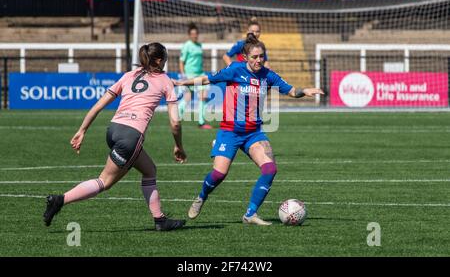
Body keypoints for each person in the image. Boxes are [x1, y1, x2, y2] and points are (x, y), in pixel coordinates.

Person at [174, 33, 324, 225]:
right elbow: (207, 79)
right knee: (219, 174)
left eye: (261, 56)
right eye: (254, 57)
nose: (258, 60)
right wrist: (181, 82)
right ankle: (202, 196)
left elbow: (292, 91)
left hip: (254, 133)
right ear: (245, 57)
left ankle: (250, 214)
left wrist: (305, 91)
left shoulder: (268, 75)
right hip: (230, 131)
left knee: (270, 169)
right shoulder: (235, 70)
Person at [43, 43, 187, 231]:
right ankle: (59, 200)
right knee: (105, 181)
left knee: (150, 170)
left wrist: (82, 130)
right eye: (166, 56)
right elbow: (175, 123)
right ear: (159, 60)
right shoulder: (165, 80)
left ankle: (160, 220)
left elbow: (98, 105)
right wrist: (179, 146)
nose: (167, 59)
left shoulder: (129, 75)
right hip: (131, 136)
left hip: (113, 130)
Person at [178, 23, 212, 129]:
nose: (195, 35)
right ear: (189, 35)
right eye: (192, 34)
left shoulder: (199, 45)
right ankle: (177, 115)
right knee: (188, 97)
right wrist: (183, 75)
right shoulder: (187, 45)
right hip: (190, 75)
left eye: (196, 34)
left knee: (203, 96)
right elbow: (181, 61)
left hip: (200, 74)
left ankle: (201, 122)